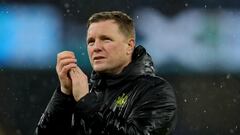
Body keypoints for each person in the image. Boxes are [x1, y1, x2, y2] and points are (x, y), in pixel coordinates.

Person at [35, 11, 177, 135]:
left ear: (129, 46)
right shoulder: (84, 92)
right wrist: (64, 93)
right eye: (91, 41)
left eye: (106, 39)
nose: (96, 47)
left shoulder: (156, 91)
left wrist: (87, 102)